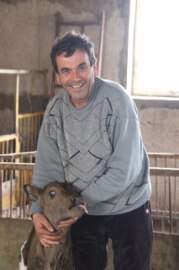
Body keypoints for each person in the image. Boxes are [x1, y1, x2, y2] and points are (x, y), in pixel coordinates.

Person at [31, 31, 153, 270]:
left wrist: (79, 203)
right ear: (58, 76)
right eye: (66, 71)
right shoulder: (55, 110)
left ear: (95, 67)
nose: (75, 77)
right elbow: (47, 167)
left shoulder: (118, 102)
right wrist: (37, 211)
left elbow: (123, 171)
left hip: (129, 206)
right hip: (83, 212)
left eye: (82, 67)